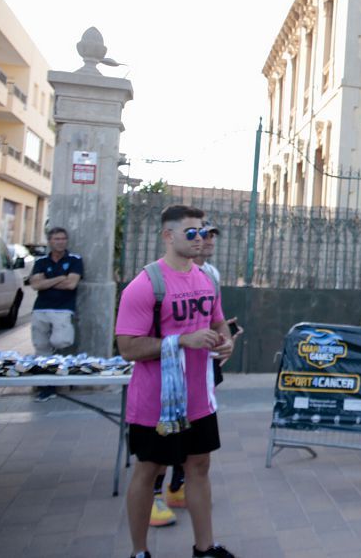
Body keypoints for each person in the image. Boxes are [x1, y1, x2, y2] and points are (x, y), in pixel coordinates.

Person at [116, 205, 236, 558]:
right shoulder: (145, 286)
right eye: (191, 233)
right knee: (149, 471)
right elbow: (127, 347)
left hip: (200, 398)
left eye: (203, 231)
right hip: (157, 403)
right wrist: (181, 341)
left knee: (199, 467)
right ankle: (139, 552)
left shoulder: (206, 278)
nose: (200, 239)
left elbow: (218, 322)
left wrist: (225, 339)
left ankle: (205, 548)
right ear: (168, 236)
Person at [150, 221, 232, 526]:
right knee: (167, 437)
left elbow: (215, 319)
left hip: (202, 369)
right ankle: (154, 496)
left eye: (211, 235)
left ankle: (176, 487)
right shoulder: (161, 277)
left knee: (195, 441)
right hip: (170, 374)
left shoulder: (211, 274)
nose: (207, 240)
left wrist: (226, 337)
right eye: (200, 234)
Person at [28, 227, 84, 401]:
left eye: (63, 239)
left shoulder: (75, 259)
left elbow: (71, 284)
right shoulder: (41, 261)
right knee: (41, 347)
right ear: (50, 241)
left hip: (63, 309)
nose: (61, 242)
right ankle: (46, 386)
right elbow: (36, 285)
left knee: (61, 341)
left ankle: (54, 370)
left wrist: (47, 281)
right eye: (56, 239)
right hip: (41, 309)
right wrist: (60, 278)